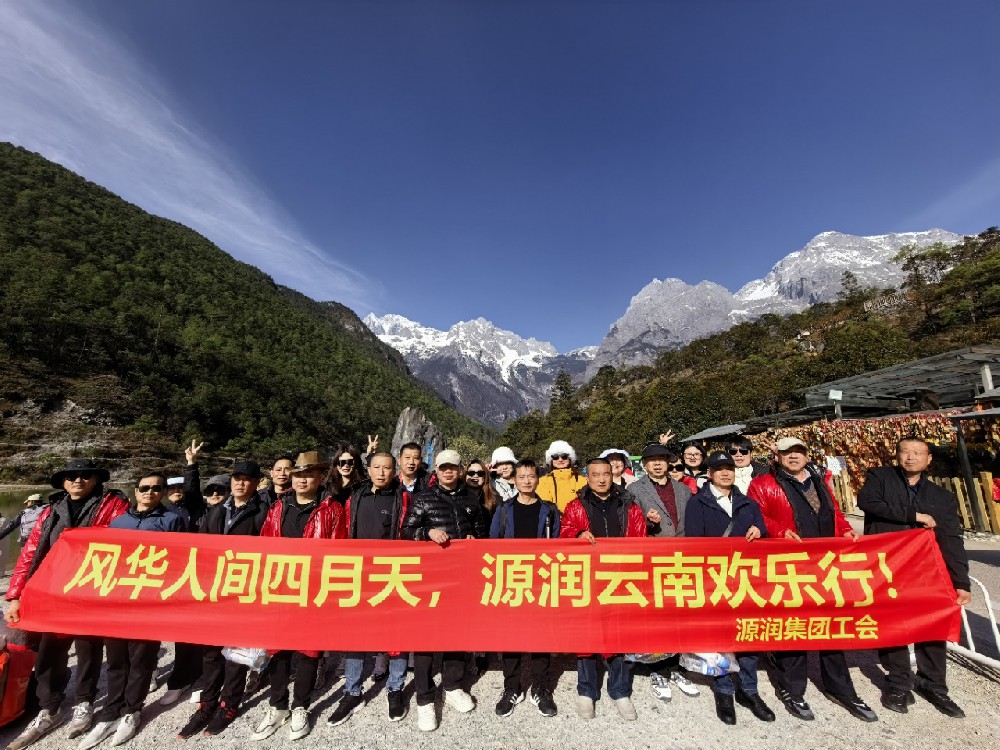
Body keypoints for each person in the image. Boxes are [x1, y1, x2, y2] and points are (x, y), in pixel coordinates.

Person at [747, 437, 877, 723]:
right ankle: (792, 688)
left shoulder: (819, 480)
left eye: (798, 452)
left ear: (806, 455)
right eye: (787, 453)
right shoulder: (763, 484)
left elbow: (833, 513)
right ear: (778, 456)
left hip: (824, 563)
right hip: (789, 563)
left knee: (830, 625)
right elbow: (756, 515)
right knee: (794, 624)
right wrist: (779, 531)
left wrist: (844, 529)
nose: (793, 457)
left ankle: (840, 687)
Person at [4, 459, 130, 750]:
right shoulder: (51, 510)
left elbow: (125, 542)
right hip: (53, 591)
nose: (78, 480)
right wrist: (14, 595)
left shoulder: (114, 506)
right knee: (50, 649)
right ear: (63, 482)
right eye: (71, 476)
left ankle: (84, 701)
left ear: (96, 480)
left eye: (85, 475)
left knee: (87, 648)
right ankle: (49, 707)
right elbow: (30, 553)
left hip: (91, 590)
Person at [857, 436, 970, 718]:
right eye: (905, 451)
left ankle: (933, 684)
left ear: (928, 459)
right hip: (888, 568)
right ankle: (898, 682)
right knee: (893, 624)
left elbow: (951, 538)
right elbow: (868, 503)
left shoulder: (941, 497)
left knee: (932, 626)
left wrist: (961, 580)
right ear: (897, 455)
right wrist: (913, 515)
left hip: (926, 572)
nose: (910, 457)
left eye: (918, 453)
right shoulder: (880, 478)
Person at [78, 472, 186, 750]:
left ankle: (131, 711)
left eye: (156, 488)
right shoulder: (118, 522)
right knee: (116, 659)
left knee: (141, 659)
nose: (150, 492)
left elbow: (180, 560)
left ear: (162, 492)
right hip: (119, 600)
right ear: (135, 491)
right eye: (144, 488)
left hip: (149, 601)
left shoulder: (172, 520)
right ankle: (110, 711)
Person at [250, 452, 346, 741]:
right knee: (278, 650)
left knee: (308, 651)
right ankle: (277, 705)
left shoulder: (332, 509)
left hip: (312, 591)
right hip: (280, 588)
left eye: (309, 475)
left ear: (320, 478)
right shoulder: (278, 507)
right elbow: (265, 545)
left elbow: (339, 550)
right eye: (298, 475)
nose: (302, 480)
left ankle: (301, 706)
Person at [178, 460, 270, 739]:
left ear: (256, 483)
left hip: (245, 591)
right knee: (210, 652)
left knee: (236, 654)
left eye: (247, 479)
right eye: (236, 478)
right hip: (215, 590)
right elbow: (202, 548)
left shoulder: (263, 511)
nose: (240, 483)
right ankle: (207, 703)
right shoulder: (217, 510)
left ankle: (229, 704)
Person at [401, 449, 488, 731]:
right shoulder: (423, 498)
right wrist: (426, 533)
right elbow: (406, 532)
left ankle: (452, 686)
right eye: (443, 468)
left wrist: (474, 539)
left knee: (456, 633)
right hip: (429, 578)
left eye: (453, 467)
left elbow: (482, 533)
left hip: (461, 577)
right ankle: (425, 699)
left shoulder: (471, 498)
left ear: (460, 470)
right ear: (436, 471)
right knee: (425, 638)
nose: (448, 472)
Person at [685, 452, 774, 726]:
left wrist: (759, 529)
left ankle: (749, 689)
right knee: (720, 634)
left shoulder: (747, 502)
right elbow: (694, 542)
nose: (725, 473)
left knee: (747, 633)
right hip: (716, 579)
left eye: (729, 469)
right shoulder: (697, 503)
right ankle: (723, 690)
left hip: (746, 578)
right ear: (710, 474)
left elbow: (762, 527)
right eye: (719, 469)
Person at [328, 452, 411, 727]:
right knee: (355, 635)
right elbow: (342, 530)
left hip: (393, 574)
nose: (381, 472)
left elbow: (413, 532)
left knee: (396, 635)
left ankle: (395, 688)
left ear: (394, 470)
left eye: (387, 468)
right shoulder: (355, 497)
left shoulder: (404, 498)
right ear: (369, 469)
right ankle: (352, 691)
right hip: (359, 574)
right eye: (377, 467)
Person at [560, 458, 646, 721]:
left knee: (620, 634)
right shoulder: (575, 506)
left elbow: (640, 538)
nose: (601, 479)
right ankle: (586, 691)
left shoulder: (628, 504)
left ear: (613, 475)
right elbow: (564, 532)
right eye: (595, 474)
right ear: (587, 477)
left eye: (605, 474)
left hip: (621, 577)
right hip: (588, 578)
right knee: (587, 634)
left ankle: (620, 691)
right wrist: (577, 535)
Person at [626, 444, 699, 701]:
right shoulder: (635, 490)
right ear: (644, 465)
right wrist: (647, 522)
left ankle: (677, 666)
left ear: (668, 463)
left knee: (678, 613)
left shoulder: (683, 490)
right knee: (656, 615)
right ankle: (657, 669)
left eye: (661, 460)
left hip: (681, 558)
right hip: (653, 558)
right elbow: (630, 525)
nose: (657, 464)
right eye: (652, 460)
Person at [490, 459, 560, 719]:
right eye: (522, 477)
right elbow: (493, 542)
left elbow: (559, 544)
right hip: (512, 579)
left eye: (531, 476)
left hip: (541, 580)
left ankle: (541, 688)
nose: (527, 481)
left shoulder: (549, 510)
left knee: (542, 635)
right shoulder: (504, 509)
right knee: (510, 636)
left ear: (538, 479)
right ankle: (512, 687)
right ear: (515, 480)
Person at [535, 440, 587, 512]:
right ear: (551, 460)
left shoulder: (582, 480)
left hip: (578, 518)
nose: (560, 460)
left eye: (564, 456)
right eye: (555, 457)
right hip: (554, 518)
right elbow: (545, 505)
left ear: (570, 459)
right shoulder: (543, 481)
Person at [464, 459, 498, 523]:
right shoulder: (457, 497)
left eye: (480, 473)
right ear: (465, 475)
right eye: (471, 473)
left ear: (484, 476)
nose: (475, 476)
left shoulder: (494, 499)